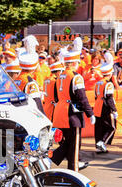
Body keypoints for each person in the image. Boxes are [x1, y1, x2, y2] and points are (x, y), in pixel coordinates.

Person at [50, 38, 95, 172]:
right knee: (74, 145)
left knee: (68, 143)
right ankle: (73, 170)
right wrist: (90, 113)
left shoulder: (61, 76)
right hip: (71, 115)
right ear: (75, 62)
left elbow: (57, 96)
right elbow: (82, 97)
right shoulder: (76, 77)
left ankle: (53, 157)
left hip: (59, 113)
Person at [94, 53, 118, 153]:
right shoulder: (108, 84)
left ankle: (99, 146)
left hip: (97, 107)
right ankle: (102, 142)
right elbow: (109, 98)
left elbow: (96, 96)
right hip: (104, 108)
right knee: (111, 127)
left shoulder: (98, 82)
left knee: (99, 128)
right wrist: (114, 110)